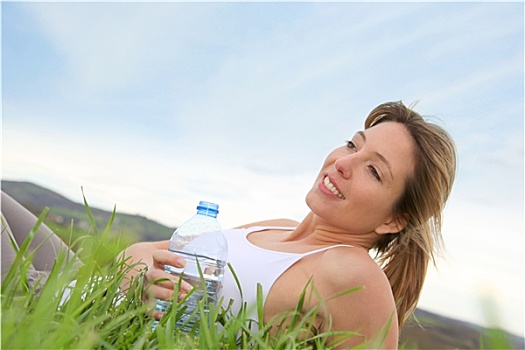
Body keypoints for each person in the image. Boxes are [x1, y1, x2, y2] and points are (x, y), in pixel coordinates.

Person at [120, 101, 457, 349]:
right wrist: (147, 285)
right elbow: (136, 253)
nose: (344, 162)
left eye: (374, 171)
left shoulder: (355, 275)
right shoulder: (275, 228)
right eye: (353, 144)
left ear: (393, 219)